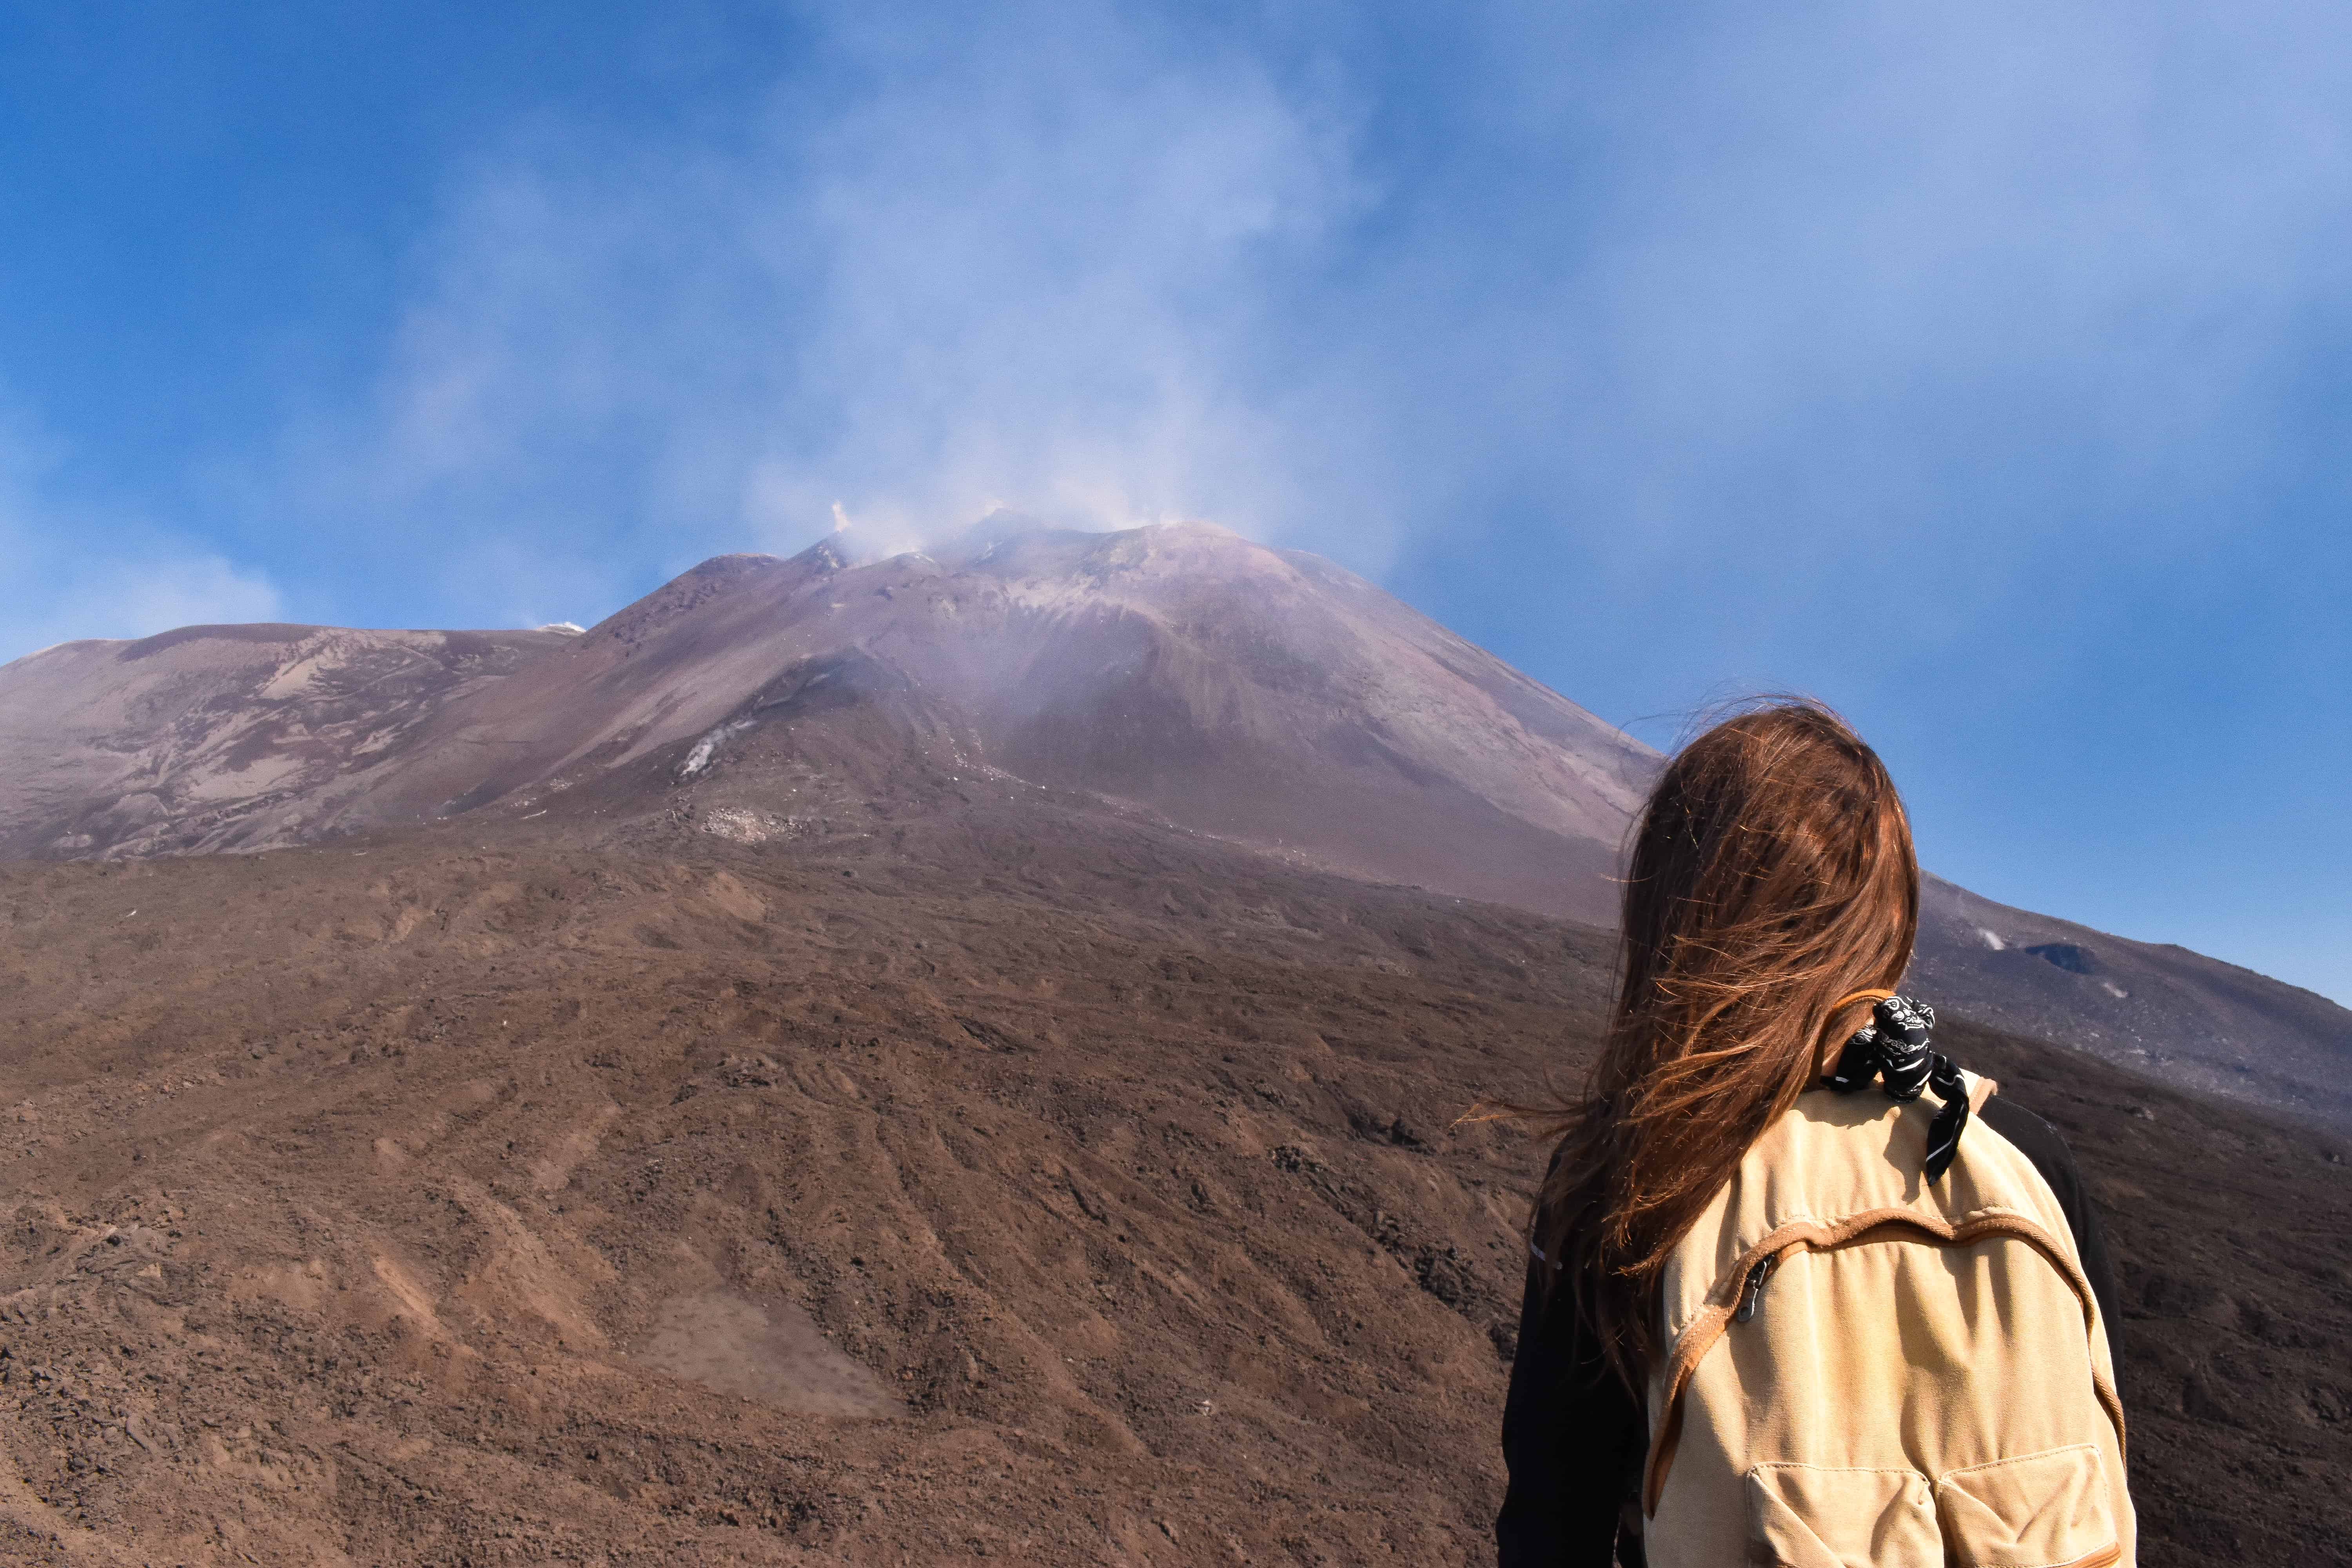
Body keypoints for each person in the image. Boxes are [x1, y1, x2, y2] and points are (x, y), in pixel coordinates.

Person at [1493, 701, 2125, 1567]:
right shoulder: (2023, 1158)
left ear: (1676, 909)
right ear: (1893, 913)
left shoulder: (1636, 1176)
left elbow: (1550, 1530)